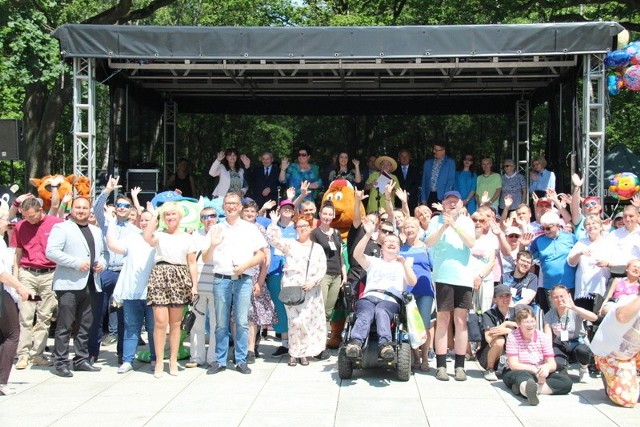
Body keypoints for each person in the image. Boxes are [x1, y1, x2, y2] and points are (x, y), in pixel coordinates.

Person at [203, 192, 267, 375]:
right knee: (221, 323)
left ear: (240, 207)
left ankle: (241, 360)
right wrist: (213, 245)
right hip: (221, 279)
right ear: (223, 207)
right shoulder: (216, 229)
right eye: (227, 203)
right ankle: (220, 361)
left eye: (234, 203)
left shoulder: (250, 229)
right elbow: (206, 258)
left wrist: (245, 266)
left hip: (244, 280)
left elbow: (261, 255)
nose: (231, 206)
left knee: (241, 322)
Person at [46, 197, 106, 378]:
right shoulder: (61, 228)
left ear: (90, 210)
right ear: (71, 209)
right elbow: (51, 252)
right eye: (78, 207)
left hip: (91, 282)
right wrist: (75, 263)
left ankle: (81, 359)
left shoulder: (95, 230)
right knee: (64, 325)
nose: (81, 211)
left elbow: (102, 254)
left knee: (85, 325)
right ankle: (61, 362)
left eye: (85, 208)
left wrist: (101, 263)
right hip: (69, 284)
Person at [345, 219, 417, 359]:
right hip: (369, 297)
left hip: (390, 300)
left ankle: (385, 346)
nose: (391, 243)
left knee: (381, 310)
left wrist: (403, 263)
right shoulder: (374, 261)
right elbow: (356, 255)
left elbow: (412, 281)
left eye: (395, 242)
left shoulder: (403, 264)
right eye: (387, 242)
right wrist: (367, 235)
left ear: (399, 247)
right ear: (381, 247)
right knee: (366, 311)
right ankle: (355, 344)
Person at [143, 202, 198, 378]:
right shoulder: (159, 235)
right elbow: (146, 237)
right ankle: (159, 361)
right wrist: (153, 216)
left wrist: (194, 285)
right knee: (160, 322)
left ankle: (173, 360)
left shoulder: (188, 238)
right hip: (160, 275)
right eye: (167, 215)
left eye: (173, 214)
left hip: (180, 276)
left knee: (175, 323)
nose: (170, 217)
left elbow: (192, 263)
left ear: (180, 217)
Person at [425, 190, 476, 381]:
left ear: (461, 204)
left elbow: (471, 243)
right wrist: (443, 227)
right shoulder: (435, 221)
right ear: (443, 203)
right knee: (443, 320)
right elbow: (429, 243)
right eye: (449, 201)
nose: (452, 204)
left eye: (456, 201)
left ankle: (460, 365)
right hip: (443, 276)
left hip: (463, 278)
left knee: (461, 321)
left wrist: (454, 225)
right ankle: (440, 365)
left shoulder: (467, 221)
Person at [91, 175, 141, 365]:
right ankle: (92, 352)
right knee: (98, 313)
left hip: (125, 275)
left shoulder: (135, 231)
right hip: (106, 271)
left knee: (124, 317)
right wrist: (107, 191)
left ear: (130, 211)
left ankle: (123, 354)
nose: (121, 208)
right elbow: (96, 209)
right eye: (119, 205)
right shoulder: (107, 224)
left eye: (125, 206)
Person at [267, 213, 327, 366]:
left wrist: (314, 281)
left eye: (304, 226)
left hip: (310, 289)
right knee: (295, 321)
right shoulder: (290, 244)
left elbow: (322, 268)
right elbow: (273, 241)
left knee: (306, 320)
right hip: (292, 288)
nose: (302, 229)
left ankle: (305, 352)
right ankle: (294, 352)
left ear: (310, 228)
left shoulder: (317, 248)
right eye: (299, 226)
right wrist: (274, 223)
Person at [11, 196, 62, 369]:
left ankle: (37, 354)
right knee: (26, 315)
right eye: (26, 217)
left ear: (40, 210)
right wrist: (16, 278)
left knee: (44, 316)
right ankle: (23, 354)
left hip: (49, 274)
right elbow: (17, 253)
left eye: (32, 216)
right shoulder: (20, 226)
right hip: (28, 273)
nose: (29, 220)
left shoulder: (55, 223)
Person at [107, 209, 157, 374]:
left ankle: (155, 358)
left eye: (147, 220)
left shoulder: (159, 238)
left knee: (153, 328)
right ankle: (128, 360)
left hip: (153, 292)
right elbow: (113, 246)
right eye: (141, 220)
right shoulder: (131, 238)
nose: (143, 222)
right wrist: (111, 223)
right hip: (132, 291)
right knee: (131, 327)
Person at [503, 306, 572, 405]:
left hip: (538, 371)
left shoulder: (543, 337)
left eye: (532, 321)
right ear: (518, 324)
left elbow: (552, 363)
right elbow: (514, 365)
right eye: (526, 322)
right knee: (523, 375)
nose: (530, 325)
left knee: (566, 382)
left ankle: (531, 390)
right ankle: (526, 389)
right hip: (517, 371)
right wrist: (533, 369)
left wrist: (546, 368)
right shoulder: (512, 336)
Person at [0, 209, 34, 395]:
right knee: (13, 334)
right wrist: (20, 287)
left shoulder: (3, 243)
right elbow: (2, 274)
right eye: (5, 219)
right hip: (2, 292)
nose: (9, 222)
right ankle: (2, 381)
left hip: (6, 292)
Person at [590, 288, 640, 407]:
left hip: (633, 352)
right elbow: (622, 316)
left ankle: (630, 380)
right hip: (610, 354)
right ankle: (610, 379)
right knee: (628, 399)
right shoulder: (630, 300)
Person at [184, 207, 218, 369]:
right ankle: (196, 356)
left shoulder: (222, 233)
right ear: (200, 219)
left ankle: (213, 357)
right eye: (205, 217)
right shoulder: (194, 236)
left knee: (215, 324)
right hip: (198, 285)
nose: (208, 219)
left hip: (217, 284)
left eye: (212, 216)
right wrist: (192, 284)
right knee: (196, 323)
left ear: (217, 217)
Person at [522, 211, 577, 313]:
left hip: (570, 285)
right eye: (543, 228)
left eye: (548, 228)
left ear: (557, 226)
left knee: (570, 315)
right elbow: (525, 258)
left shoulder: (571, 238)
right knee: (554, 316)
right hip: (550, 286)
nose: (546, 231)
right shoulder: (538, 241)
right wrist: (523, 245)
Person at [400, 217, 434, 372]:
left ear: (419, 228)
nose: (409, 229)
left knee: (425, 325)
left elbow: (434, 268)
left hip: (426, 290)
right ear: (403, 230)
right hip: (408, 292)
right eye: (407, 227)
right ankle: (416, 357)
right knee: (412, 325)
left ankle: (425, 357)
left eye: (413, 226)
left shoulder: (427, 248)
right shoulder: (400, 249)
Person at [543, 285, 597, 381]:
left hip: (578, 342)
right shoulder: (549, 315)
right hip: (561, 343)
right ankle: (562, 369)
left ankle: (583, 369)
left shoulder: (575, 311)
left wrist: (574, 307)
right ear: (551, 299)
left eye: (562, 296)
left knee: (583, 351)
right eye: (555, 297)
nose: (559, 299)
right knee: (557, 362)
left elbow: (594, 318)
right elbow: (547, 337)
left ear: (568, 296)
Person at [265, 199, 297, 357]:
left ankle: (295, 342)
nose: (287, 210)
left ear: (293, 211)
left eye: (290, 208)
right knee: (279, 306)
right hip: (275, 272)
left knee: (293, 306)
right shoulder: (272, 226)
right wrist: (273, 222)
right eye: (284, 208)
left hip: (292, 273)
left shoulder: (297, 228)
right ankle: (284, 343)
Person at [311, 202, 347, 325]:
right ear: (320, 215)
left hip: (336, 275)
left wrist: (344, 276)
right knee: (319, 307)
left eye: (330, 214)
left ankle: (323, 338)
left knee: (328, 311)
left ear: (333, 216)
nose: (327, 216)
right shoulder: (315, 233)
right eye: (324, 213)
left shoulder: (336, 233)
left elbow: (340, 255)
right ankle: (316, 339)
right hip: (323, 275)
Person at [567, 215, 610, 313]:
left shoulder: (608, 242)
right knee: (583, 319)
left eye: (594, 223)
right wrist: (579, 253)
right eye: (588, 224)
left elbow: (615, 262)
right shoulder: (581, 243)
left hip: (601, 287)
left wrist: (607, 263)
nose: (591, 226)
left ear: (600, 226)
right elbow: (571, 262)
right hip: (583, 289)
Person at [476, 284, 518, 381]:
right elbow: (489, 338)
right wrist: (504, 326)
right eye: (501, 296)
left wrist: (508, 329)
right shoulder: (489, 314)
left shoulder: (516, 312)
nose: (505, 299)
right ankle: (490, 369)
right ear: (495, 299)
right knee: (499, 340)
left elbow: (527, 331)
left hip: (512, 352)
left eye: (507, 296)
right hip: (488, 354)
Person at [470, 211, 497, 312]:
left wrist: (480, 277)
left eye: (481, 221)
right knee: (469, 313)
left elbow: (491, 262)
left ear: (485, 224)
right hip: (468, 280)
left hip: (486, 280)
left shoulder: (490, 240)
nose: (477, 223)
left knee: (485, 311)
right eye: (474, 220)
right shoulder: (465, 240)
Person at [421, 142, 456, 206]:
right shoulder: (427, 163)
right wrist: (423, 199)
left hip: (443, 197)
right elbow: (424, 182)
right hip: (429, 196)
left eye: (436, 150)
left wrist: (446, 199)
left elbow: (450, 182)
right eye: (434, 149)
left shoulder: (450, 163)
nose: (434, 151)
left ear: (443, 151)